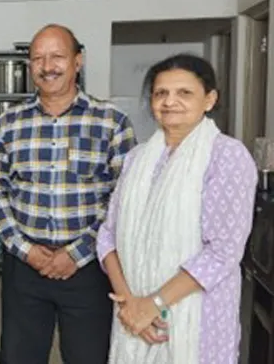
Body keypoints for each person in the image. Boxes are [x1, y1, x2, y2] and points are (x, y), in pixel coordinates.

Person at [0, 24, 137, 364]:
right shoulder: (8, 124)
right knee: (18, 357)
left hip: (89, 267)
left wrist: (77, 252)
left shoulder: (112, 121)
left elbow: (124, 199)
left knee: (90, 356)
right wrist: (26, 250)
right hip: (25, 267)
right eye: (38, 58)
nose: (47, 66)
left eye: (57, 56)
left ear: (78, 61)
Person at [96, 54, 257, 364]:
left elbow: (222, 252)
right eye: (161, 93)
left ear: (209, 99)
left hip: (195, 320)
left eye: (184, 93)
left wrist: (153, 305)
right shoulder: (138, 158)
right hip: (133, 315)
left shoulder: (226, 157)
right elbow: (107, 235)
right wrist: (130, 304)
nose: (170, 102)